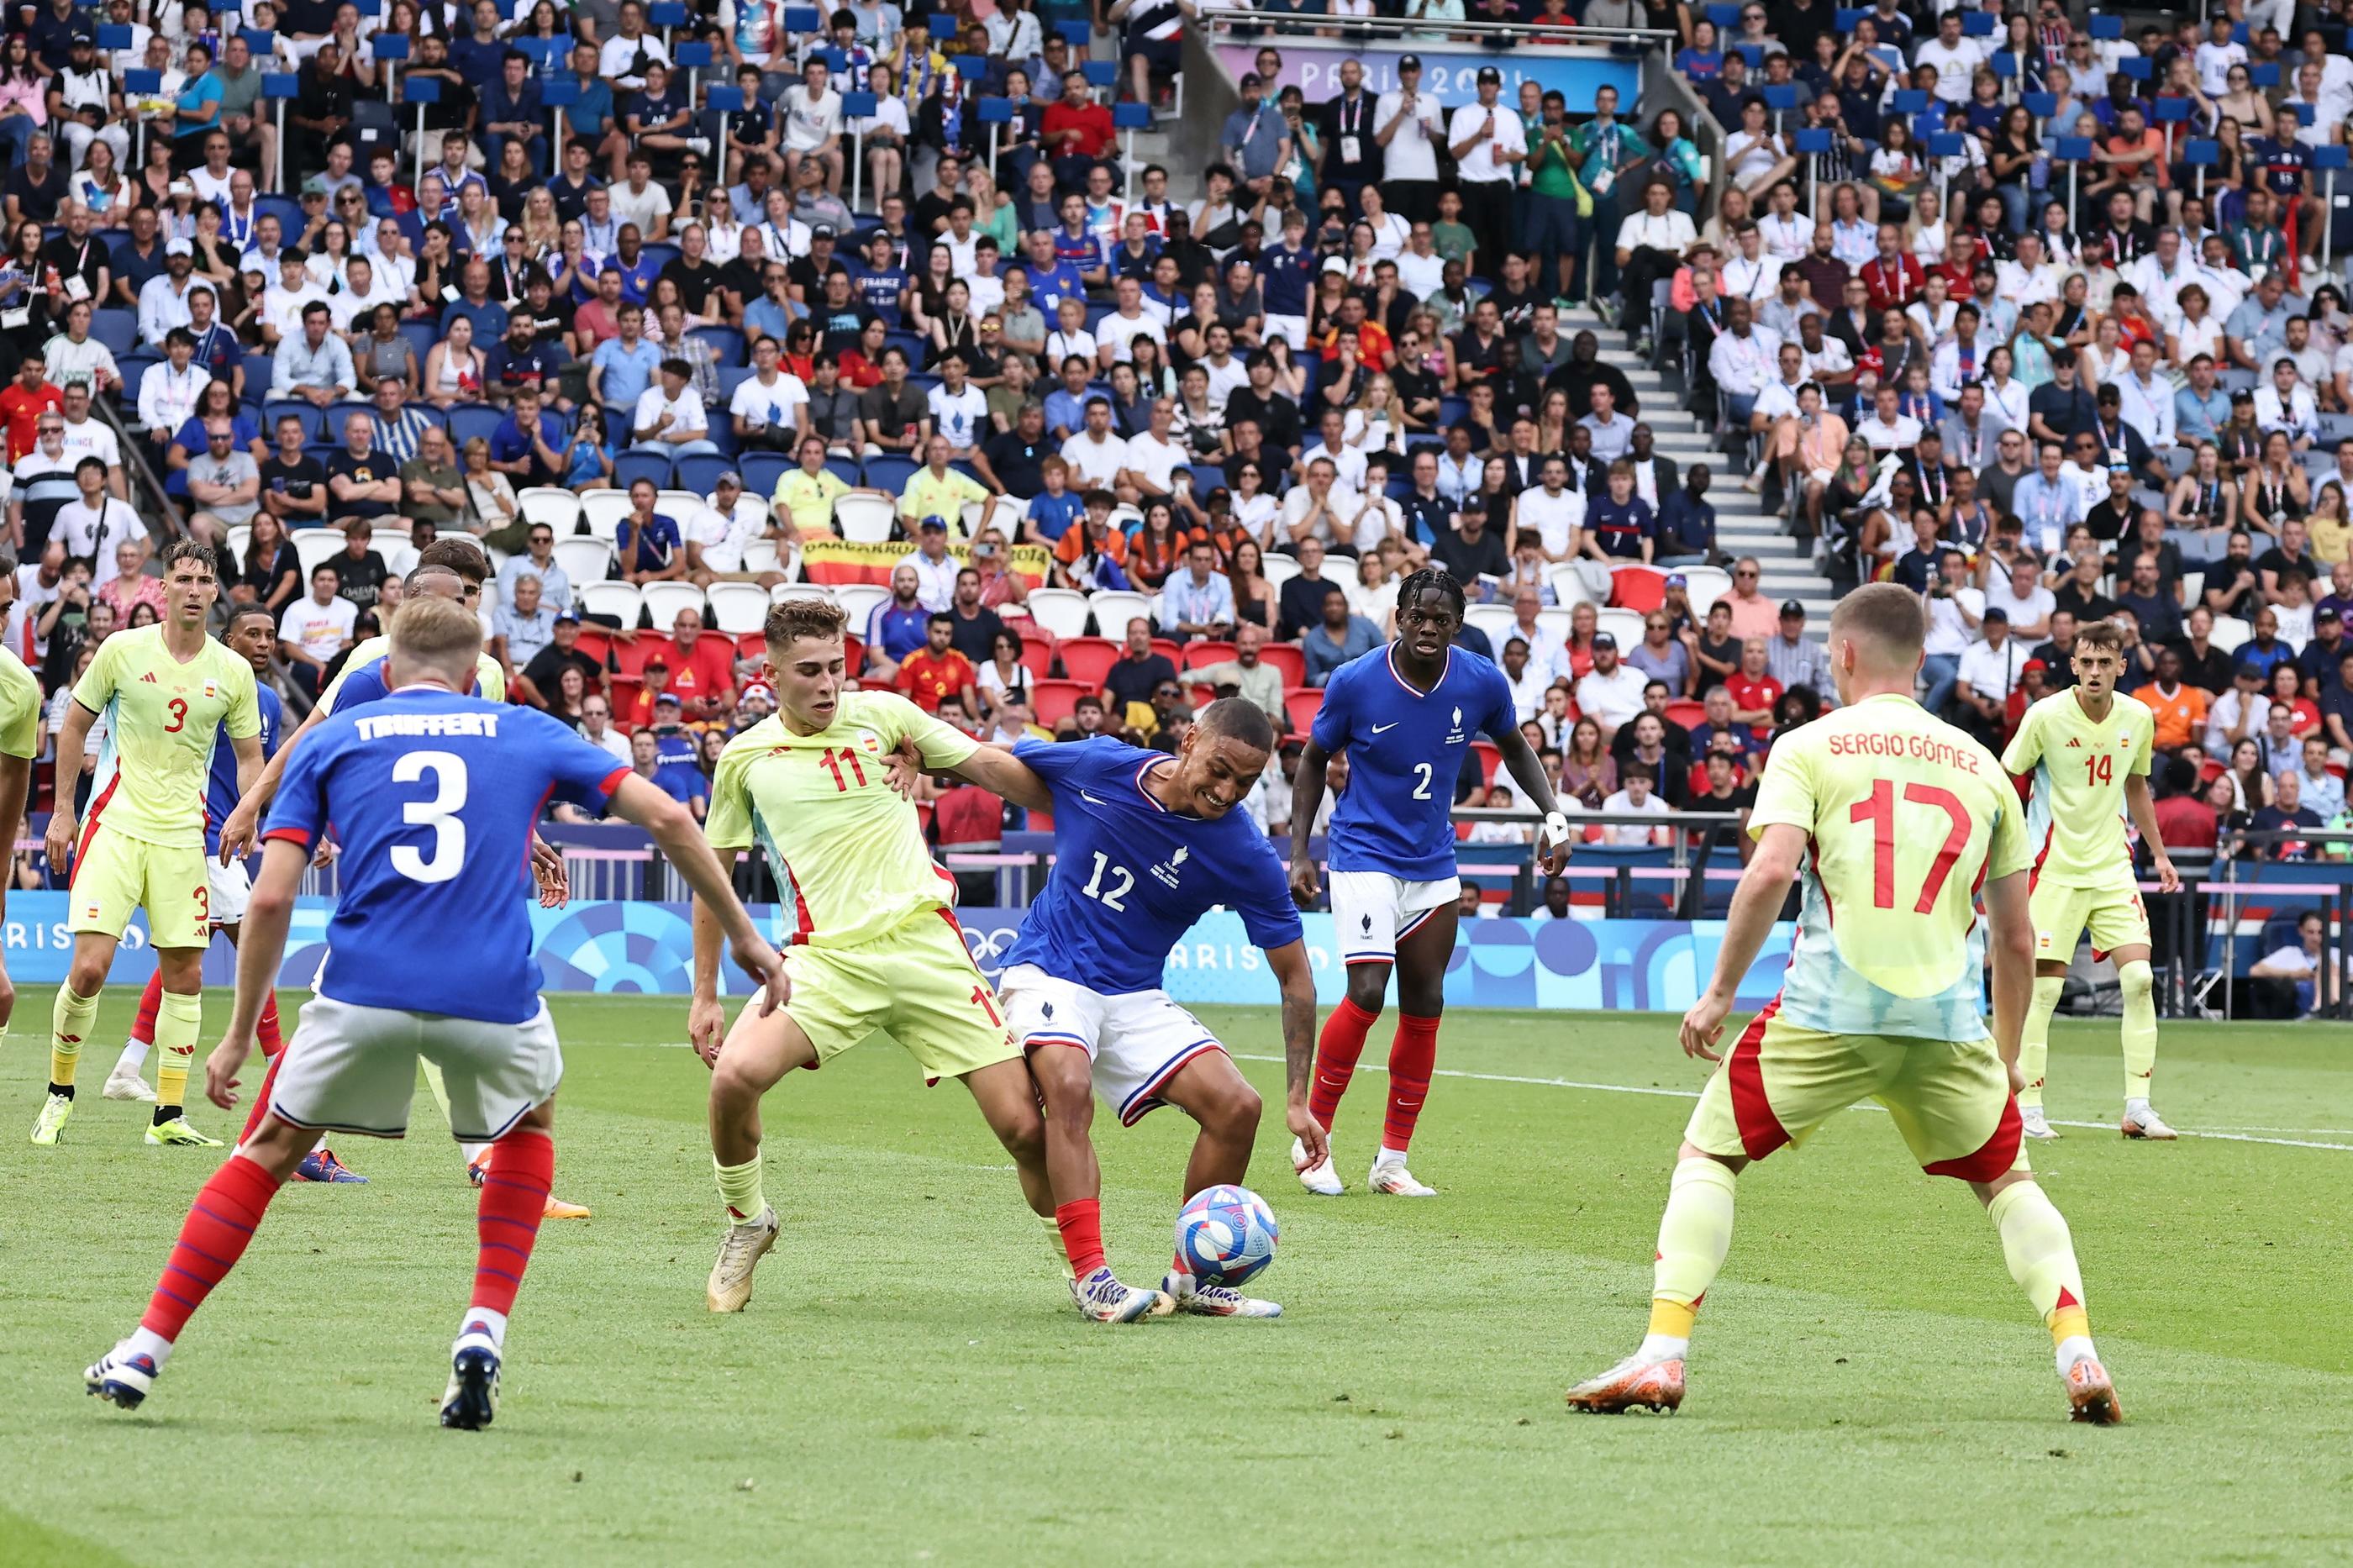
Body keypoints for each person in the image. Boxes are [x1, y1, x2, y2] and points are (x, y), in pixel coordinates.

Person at [83, 596, 787, 1425]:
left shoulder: (338, 738)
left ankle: (145, 1348)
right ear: (477, 662)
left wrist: (241, 1034)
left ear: (386, 667)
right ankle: (483, 1331)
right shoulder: (522, 731)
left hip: (363, 992)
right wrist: (743, 935)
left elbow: (270, 900)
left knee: (268, 1153)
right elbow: (669, 814)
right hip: (490, 994)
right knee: (527, 1128)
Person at [1565, 582, 2122, 1426]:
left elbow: (1771, 870)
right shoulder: (1982, 768)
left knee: (1709, 1156)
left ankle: (1662, 1352)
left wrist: (1718, 994)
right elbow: (2016, 939)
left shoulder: (1807, 746)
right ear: (1922, 661)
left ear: (1845, 654)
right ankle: (2077, 1347)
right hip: (1945, 1021)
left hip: (1827, 1010)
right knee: (2007, 1180)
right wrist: (2008, 1059)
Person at [891, 697, 1319, 1318]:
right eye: (1220, 770)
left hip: (1134, 993)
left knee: (1237, 1107)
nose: (1228, 792)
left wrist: (1298, 1097)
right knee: (1067, 1086)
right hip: (1049, 969)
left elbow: (1297, 979)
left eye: (1246, 783)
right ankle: (1094, 1279)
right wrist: (924, 753)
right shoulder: (1102, 764)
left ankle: (1191, 1280)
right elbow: (1001, 762)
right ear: (1190, 739)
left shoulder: (1244, 852)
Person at [692, 598, 1061, 1317]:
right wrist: (704, 994)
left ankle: (1087, 1272)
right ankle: (748, 1224)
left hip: (928, 948)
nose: (828, 684)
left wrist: (1104, 801)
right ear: (770, 673)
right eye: (808, 671)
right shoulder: (744, 759)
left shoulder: (888, 715)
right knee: (733, 1079)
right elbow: (714, 875)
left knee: (1025, 1129)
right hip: (827, 960)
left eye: (836, 667)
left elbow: (985, 764)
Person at [1287, 567, 1574, 1198]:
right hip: (1363, 853)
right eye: (1417, 616)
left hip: (1433, 862)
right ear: (1399, 616)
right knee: (1367, 992)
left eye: (1440, 620)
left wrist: (1553, 816)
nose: (1427, 628)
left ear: (1457, 626)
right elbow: (1313, 758)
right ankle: (1314, 1144)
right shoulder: (1356, 681)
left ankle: (1391, 1162)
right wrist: (1300, 852)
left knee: (1426, 1005)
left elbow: (1516, 747)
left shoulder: (1480, 681)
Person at [97, 607, 361, 1178]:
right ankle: (288, 1099)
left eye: (270, 635)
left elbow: (259, 772)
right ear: (227, 638)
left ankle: (128, 1066)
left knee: (187, 958)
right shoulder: (202, 686)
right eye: (252, 634)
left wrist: (285, 824)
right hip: (195, 837)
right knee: (255, 955)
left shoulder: (263, 701)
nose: (264, 643)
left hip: (224, 840)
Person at [34, 542, 265, 1150]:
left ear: (216, 592)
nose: (193, 588)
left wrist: (247, 812)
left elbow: (249, 758)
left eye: (204, 580)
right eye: (183, 578)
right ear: (162, 587)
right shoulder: (121, 650)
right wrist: (62, 812)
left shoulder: (232, 671)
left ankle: (166, 1116)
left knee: (186, 975)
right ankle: (59, 1096)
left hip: (182, 839)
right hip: (113, 826)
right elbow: (76, 723)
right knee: (89, 969)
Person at [2002, 620, 2183, 1143]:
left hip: (2112, 866)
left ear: (2122, 666)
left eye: (2106, 662)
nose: (2096, 671)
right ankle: (2029, 1106)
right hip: (2054, 868)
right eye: (2087, 662)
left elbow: (2136, 784)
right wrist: (2001, 849)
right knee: (2044, 991)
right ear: (2074, 666)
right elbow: (2005, 777)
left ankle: (2138, 1107)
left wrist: (2160, 855)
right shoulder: (2045, 716)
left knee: (2140, 979)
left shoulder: (2138, 716)